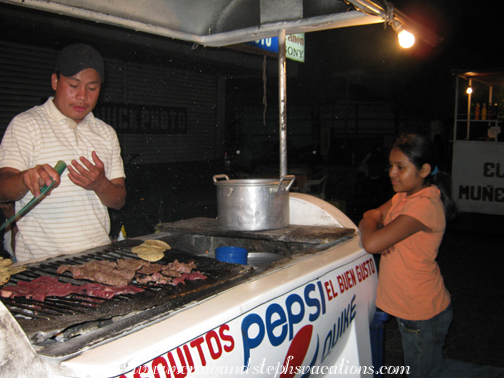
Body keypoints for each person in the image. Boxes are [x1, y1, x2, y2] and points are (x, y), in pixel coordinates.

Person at [359, 133, 504, 378]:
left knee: (429, 373)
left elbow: (371, 239)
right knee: (430, 370)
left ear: (424, 169)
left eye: (401, 167)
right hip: (414, 310)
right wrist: (376, 224)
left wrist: (372, 223)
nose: (392, 173)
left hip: (421, 313)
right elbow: (373, 219)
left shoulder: (423, 205)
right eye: (391, 166)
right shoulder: (403, 197)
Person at [0, 43, 126, 263]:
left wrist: (100, 185)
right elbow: (3, 190)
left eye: (92, 88)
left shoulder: (106, 133)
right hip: (42, 264)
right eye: (73, 85)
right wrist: (24, 178)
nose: (82, 96)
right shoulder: (26, 124)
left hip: (98, 259)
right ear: (55, 81)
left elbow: (119, 200)